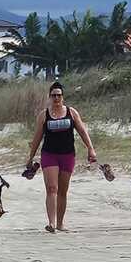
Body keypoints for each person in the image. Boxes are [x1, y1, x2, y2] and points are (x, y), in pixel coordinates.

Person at [24, 81, 97, 233]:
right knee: (52, 188)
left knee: (63, 191)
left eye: (59, 95)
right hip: (49, 155)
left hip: (68, 155)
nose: (56, 98)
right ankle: (51, 223)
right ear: (49, 97)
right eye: (53, 95)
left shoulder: (72, 112)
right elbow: (37, 137)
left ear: (63, 97)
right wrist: (30, 157)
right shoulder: (44, 115)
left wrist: (90, 149)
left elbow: (83, 132)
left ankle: (60, 223)